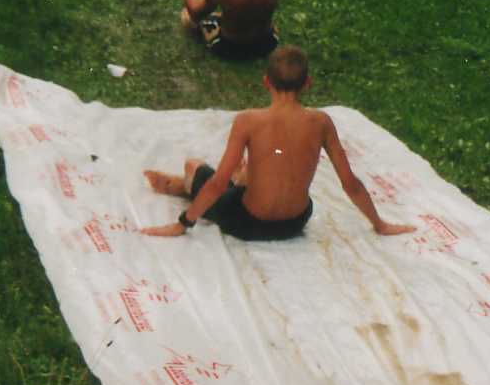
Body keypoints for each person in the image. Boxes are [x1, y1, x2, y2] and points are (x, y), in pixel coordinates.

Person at [142, 46, 416, 241]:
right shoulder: (321, 122)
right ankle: (232, 179)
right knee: (249, 171)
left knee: (195, 166)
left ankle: (186, 184)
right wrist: (379, 224)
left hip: (247, 223)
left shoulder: (248, 121)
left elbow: (216, 183)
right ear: (307, 83)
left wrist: (183, 223)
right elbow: (350, 182)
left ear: (266, 82)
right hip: (295, 223)